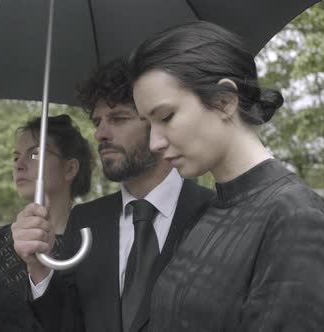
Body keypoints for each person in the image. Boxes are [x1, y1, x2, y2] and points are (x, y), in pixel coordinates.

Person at [129, 21, 324, 331]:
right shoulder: (204, 212)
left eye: (166, 117)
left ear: (224, 100)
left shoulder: (295, 214)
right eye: (149, 125)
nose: (154, 143)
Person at [14, 59, 214, 332]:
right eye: (97, 122)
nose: (100, 134)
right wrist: (38, 268)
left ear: (158, 122)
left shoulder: (216, 213)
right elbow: (65, 325)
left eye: (118, 118)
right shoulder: (85, 220)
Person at [0, 114, 93, 331]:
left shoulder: (92, 246)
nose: (19, 165)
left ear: (70, 169)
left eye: (35, 154)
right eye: (16, 157)